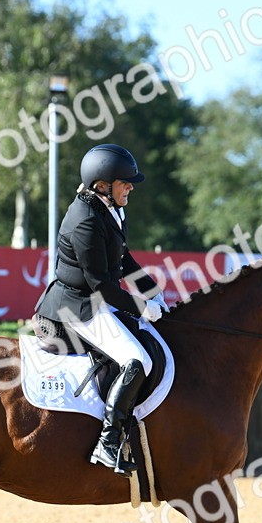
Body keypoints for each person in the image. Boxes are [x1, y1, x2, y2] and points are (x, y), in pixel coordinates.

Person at [34, 143, 168, 475]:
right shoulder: (84, 221)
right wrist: (143, 308)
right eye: (125, 182)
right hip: (74, 308)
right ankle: (108, 444)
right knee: (138, 360)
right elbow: (102, 287)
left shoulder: (111, 209)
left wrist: (155, 293)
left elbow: (123, 259)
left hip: (93, 302)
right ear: (102, 185)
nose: (131, 187)